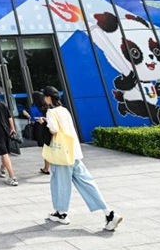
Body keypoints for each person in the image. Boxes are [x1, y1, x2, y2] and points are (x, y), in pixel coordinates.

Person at [42, 86, 122, 231]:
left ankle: (61, 214)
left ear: (48, 97)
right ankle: (108, 213)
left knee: (60, 183)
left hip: (61, 155)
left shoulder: (51, 112)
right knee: (87, 183)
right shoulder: (64, 110)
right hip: (73, 153)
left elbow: (53, 130)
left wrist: (43, 123)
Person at [22, 91, 51, 175]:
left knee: (45, 148)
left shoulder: (33, 107)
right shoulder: (46, 107)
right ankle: (47, 167)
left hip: (39, 128)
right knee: (49, 147)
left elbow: (32, 118)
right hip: (48, 127)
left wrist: (28, 116)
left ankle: (46, 168)